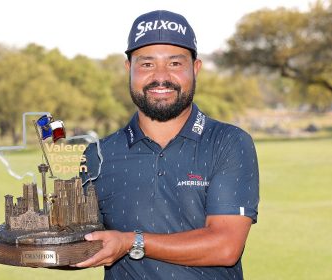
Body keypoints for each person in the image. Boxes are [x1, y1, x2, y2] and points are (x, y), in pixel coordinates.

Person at [75, 10, 259, 280]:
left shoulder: (228, 142)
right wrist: (18, 245)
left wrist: (131, 242)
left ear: (195, 68)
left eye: (175, 63)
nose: (161, 77)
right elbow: (84, 243)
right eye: (147, 64)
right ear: (129, 70)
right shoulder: (98, 155)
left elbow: (225, 245)